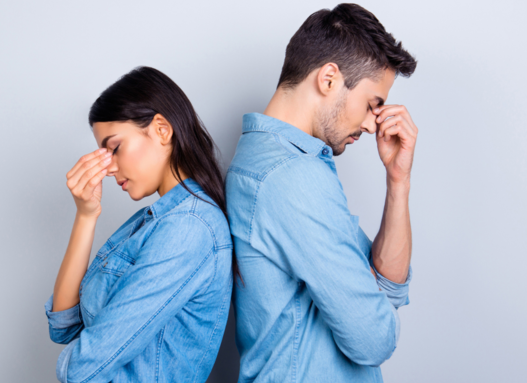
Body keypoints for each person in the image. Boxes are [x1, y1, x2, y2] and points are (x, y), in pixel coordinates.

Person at [225, 4, 418, 382]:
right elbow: (374, 339)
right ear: (329, 78)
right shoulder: (292, 178)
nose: (370, 124)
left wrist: (398, 180)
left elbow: (387, 285)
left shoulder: (272, 161)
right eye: (371, 104)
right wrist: (377, 309)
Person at [44, 66, 233, 383]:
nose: (109, 167)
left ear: (161, 129)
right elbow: (64, 326)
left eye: (114, 148)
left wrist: (70, 364)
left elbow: (81, 368)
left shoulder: (190, 228)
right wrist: (86, 214)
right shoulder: (149, 224)